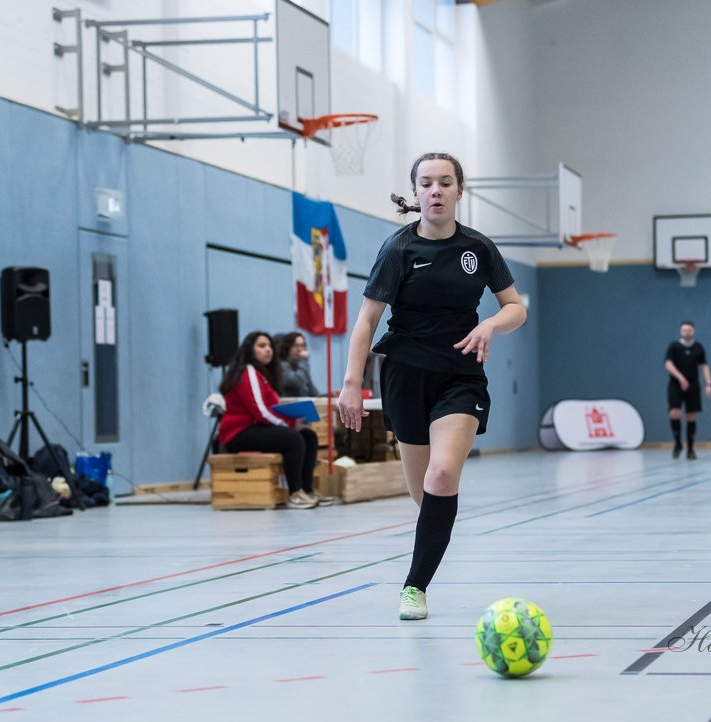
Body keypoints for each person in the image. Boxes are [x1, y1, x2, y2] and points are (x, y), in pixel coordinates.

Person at [338, 153, 527, 620]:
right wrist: (349, 385)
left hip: (460, 373)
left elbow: (516, 308)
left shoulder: (478, 248)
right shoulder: (398, 248)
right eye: (427, 183)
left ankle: (413, 587)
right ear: (417, 193)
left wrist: (490, 326)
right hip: (404, 374)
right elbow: (366, 320)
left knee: (442, 475)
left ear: (460, 190)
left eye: (445, 182)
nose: (436, 190)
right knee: (426, 495)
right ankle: (436, 534)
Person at [218, 331, 325, 509]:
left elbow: (269, 409)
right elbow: (260, 411)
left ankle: (307, 491)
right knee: (293, 438)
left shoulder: (261, 374)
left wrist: (295, 421)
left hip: (254, 428)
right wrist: (291, 424)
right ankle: (295, 493)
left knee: (309, 436)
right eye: (262, 346)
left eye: (269, 346)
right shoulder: (248, 372)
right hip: (237, 433)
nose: (268, 350)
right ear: (249, 350)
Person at [664, 321, 711, 459]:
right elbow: (668, 364)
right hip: (676, 384)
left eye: (689, 330)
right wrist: (680, 378)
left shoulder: (698, 347)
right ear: (680, 331)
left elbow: (704, 366)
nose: (687, 332)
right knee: (675, 412)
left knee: (691, 415)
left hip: (693, 385)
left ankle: (690, 449)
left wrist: (708, 383)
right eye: (684, 330)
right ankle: (677, 442)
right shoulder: (674, 347)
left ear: (693, 331)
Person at [276, 331, 321, 398]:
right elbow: (297, 382)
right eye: (295, 345)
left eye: (302, 345)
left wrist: (328, 395)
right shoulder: (282, 365)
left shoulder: (300, 366)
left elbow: (313, 392)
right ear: (287, 348)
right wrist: (303, 360)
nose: (300, 349)